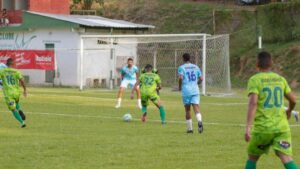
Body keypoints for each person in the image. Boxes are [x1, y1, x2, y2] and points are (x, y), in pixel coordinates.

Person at [244, 51, 298, 169]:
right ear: (271, 63)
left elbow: (253, 103)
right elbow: (293, 100)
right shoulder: (280, 79)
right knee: (286, 157)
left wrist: (248, 127)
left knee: (252, 157)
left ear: (257, 63)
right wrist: (289, 111)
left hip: (263, 128)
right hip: (281, 128)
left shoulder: (255, 80)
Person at [178, 53, 203, 134]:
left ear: (183, 59)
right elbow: (201, 78)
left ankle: (190, 129)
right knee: (196, 107)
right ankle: (199, 121)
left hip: (186, 90)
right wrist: (197, 83)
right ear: (190, 58)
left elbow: (181, 78)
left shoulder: (181, 67)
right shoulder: (196, 67)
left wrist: (179, 86)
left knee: (187, 110)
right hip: (195, 90)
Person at [0, 58, 27, 128]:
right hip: (16, 92)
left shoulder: (2, 71)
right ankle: (20, 110)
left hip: (8, 93)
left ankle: (22, 122)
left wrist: (2, 82)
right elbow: (22, 81)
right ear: (13, 64)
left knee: (13, 109)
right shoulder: (16, 71)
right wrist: (25, 90)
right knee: (16, 102)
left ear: (7, 64)